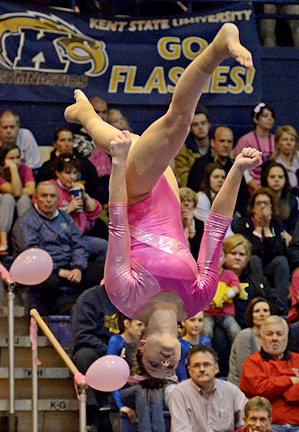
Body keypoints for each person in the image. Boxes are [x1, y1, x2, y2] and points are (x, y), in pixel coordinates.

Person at [65, 23, 261, 379]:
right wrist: (237, 171)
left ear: (140, 347)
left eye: (154, 364)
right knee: (134, 139)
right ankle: (84, 115)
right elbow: (216, 230)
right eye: (171, 367)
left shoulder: (123, 296)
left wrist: (120, 165)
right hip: (167, 189)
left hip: (135, 193)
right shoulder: (198, 299)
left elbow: (118, 224)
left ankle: (218, 47)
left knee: (177, 124)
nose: (166, 362)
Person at [12, 181, 103, 315]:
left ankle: (94, 310)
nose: (48, 200)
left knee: (103, 271)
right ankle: (65, 309)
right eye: (44, 196)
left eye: (53, 196)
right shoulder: (26, 222)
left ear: (58, 199)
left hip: (70, 266)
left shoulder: (65, 217)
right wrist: (59, 271)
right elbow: (31, 254)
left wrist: (78, 268)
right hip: (43, 270)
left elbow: (79, 244)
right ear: (35, 198)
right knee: (48, 282)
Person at [240, 316, 299, 432]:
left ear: (286, 337)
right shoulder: (251, 362)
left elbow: (268, 390)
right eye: (269, 334)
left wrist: (276, 389)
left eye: (279, 334)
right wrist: (290, 381)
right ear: (261, 337)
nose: (274, 338)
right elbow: (259, 390)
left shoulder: (297, 360)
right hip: (268, 426)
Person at [71, 284, 119, 432]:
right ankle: (92, 413)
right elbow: (82, 335)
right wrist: (110, 352)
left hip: (124, 351)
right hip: (97, 350)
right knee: (84, 356)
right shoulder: (89, 298)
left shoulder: (134, 298)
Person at [237, 187, 290, 313]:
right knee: (254, 260)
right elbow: (248, 251)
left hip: (270, 267)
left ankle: (280, 308)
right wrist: (257, 231)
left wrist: (267, 230)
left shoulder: (276, 224)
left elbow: (280, 251)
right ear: (253, 208)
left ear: (272, 207)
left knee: (281, 261)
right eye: (259, 203)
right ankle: (259, 305)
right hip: (251, 269)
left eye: (266, 203)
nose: (262, 207)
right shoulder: (244, 223)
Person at [35, 126, 108, 210]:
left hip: (84, 208)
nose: (67, 144)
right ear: (55, 144)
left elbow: (98, 191)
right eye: (63, 140)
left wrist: (86, 199)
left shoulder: (85, 165)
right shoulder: (47, 168)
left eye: (70, 140)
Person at [52, 154, 107, 260]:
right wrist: (69, 208)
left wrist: (85, 196)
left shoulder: (76, 189)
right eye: (68, 173)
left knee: (103, 245)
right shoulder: (50, 188)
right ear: (58, 173)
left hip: (78, 236)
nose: (72, 177)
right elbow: (46, 214)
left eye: (75, 173)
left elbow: (95, 213)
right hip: (58, 237)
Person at [188, 125, 249, 219]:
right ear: (212, 142)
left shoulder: (236, 167)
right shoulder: (200, 165)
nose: (226, 145)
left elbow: (243, 197)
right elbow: (192, 192)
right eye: (222, 141)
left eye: (229, 142)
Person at [223, 234, 283, 328]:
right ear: (223, 255)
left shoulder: (257, 278)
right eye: (233, 253)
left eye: (242, 254)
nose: (237, 258)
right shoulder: (215, 277)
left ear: (247, 259)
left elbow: (273, 304)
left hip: (255, 327)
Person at [0, 141, 35, 256]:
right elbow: (13, 193)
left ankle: (27, 239)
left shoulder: (25, 169)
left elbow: (30, 190)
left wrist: (14, 169)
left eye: (18, 157)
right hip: (4, 205)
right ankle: (3, 242)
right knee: (8, 198)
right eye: (11, 158)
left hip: (19, 204)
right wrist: (14, 170)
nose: (16, 162)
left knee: (24, 199)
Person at [228, 297, 272, 386]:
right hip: (241, 387)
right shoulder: (245, 336)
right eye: (257, 311)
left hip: (263, 385)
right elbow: (244, 371)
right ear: (251, 315)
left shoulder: (271, 338)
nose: (262, 314)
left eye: (265, 310)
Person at [234, 102, 275, 190]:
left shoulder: (275, 140)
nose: (270, 119)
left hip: (272, 187)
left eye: (272, 116)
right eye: (265, 116)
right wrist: (258, 189)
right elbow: (242, 169)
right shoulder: (245, 141)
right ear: (256, 119)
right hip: (249, 187)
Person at [261, 161, 299, 241]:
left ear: (285, 180)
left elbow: (294, 227)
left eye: (280, 177)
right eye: (272, 177)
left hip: (287, 240)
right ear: (266, 179)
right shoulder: (259, 198)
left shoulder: (292, 201)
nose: (276, 180)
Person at [174, 104, 210, 187]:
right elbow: (184, 180)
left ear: (209, 125)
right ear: (190, 129)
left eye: (203, 123)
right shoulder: (183, 151)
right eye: (195, 125)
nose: (200, 127)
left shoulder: (216, 146)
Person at [177, 311, 211, 382]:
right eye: (192, 320)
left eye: (200, 320)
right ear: (183, 322)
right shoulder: (180, 345)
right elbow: (181, 374)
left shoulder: (206, 342)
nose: (196, 324)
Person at [179, 186, 204, 260]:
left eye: (189, 200)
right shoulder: (171, 221)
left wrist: (189, 225)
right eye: (182, 200)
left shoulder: (199, 224)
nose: (186, 203)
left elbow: (198, 249)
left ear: (194, 204)